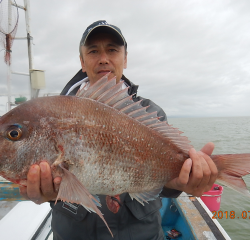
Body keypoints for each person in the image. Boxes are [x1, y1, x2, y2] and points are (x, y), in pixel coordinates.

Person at [19, 20, 218, 240]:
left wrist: (181, 181)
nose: (103, 58)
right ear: (82, 62)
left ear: (125, 58)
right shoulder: (58, 112)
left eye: (112, 50)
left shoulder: (151, 113)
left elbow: (163, 186)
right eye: (93, 51)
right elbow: (60, 181)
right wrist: (45, 195)